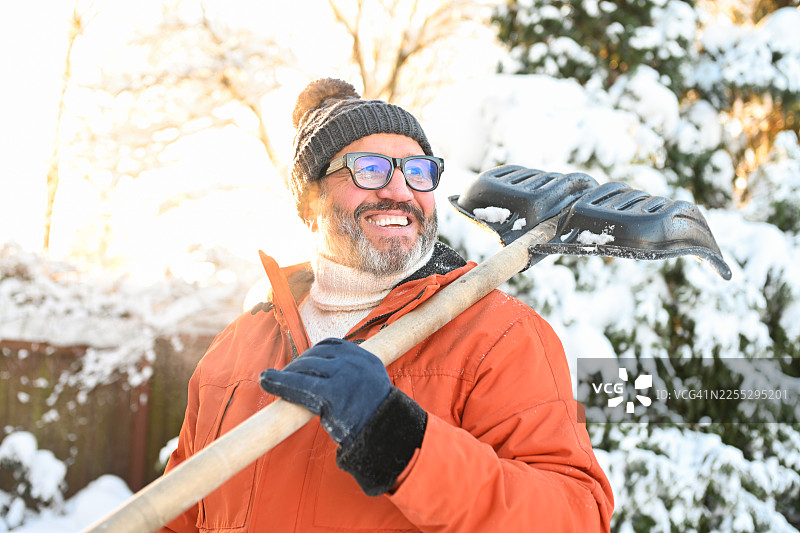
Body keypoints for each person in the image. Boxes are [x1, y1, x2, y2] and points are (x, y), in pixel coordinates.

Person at [162, 78, 614, 532]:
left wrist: (398, 438)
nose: (400, 192)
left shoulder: (499, 337)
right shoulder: (232, 353)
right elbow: (173, 516)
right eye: (370, 169)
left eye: (418, 171)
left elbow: (573, 518)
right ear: (309, 202)